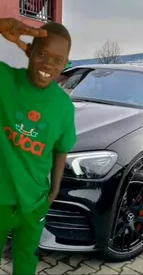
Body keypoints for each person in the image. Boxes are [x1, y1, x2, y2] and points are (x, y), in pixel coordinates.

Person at [0, 18, 76, 275]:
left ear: (65, 64)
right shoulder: (5, 80)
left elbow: (61, 149)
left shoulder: (64, 106)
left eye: (58, 60)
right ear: (29, 51)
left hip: (34, 202)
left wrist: (54, 190)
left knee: (26, 261)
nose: (48, 65)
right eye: (42, 54)